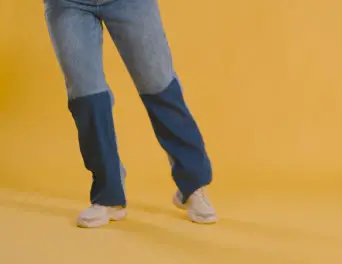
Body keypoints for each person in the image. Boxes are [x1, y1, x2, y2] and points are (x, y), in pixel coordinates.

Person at [43, 0, 217, 227]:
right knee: (86, 96)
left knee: (158, 85)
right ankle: (108, 194)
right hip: (67, 4)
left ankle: (192, 186)